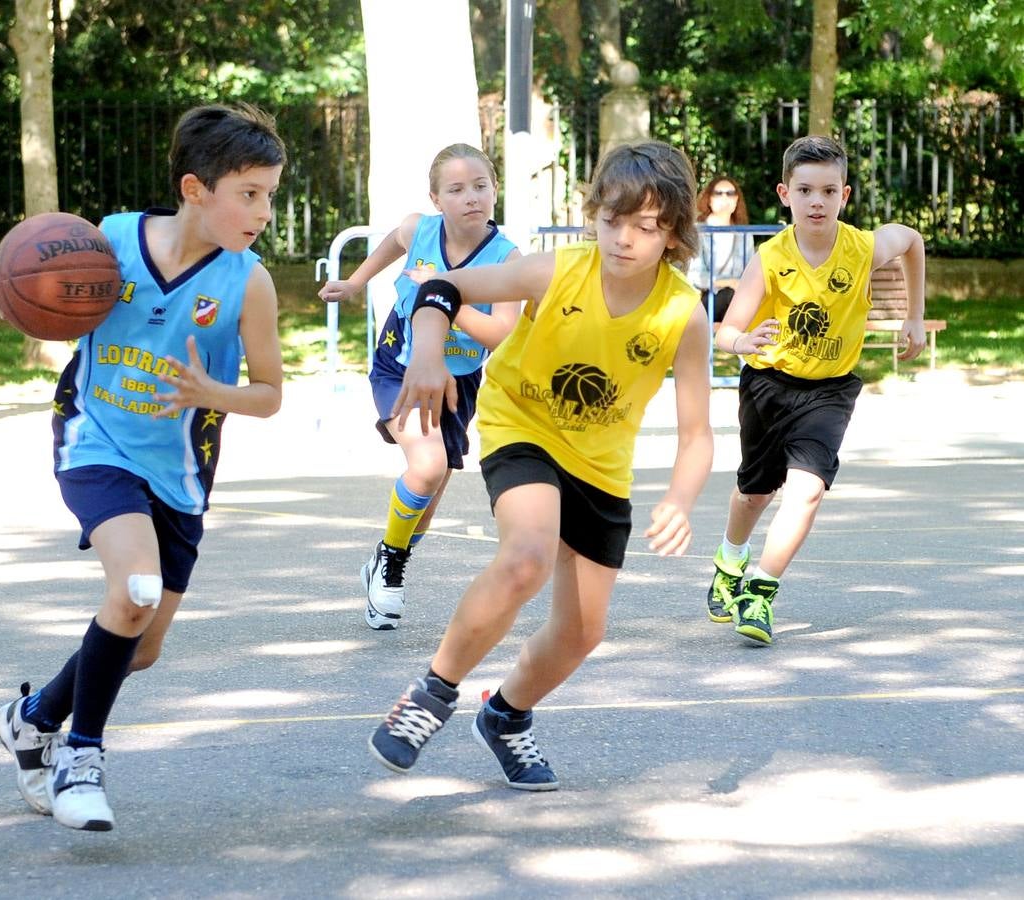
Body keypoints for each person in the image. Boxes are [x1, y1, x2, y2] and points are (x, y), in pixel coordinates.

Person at [367, 141, 713, 790]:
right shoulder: (555, 271)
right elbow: (440, 288)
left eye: (643, 226)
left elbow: (697, 435)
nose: (622, 238)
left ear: (672, 232)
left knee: (582, 630)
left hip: (600, 464)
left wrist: (680, 499)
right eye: (611, 220)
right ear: (594, 215)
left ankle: (505, 715)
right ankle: (432, 693)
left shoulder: (682, 315)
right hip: (520, 426)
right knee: (525, 556)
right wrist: (427, 354)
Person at [0, 103, 286, 831]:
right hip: (94, 439)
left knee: (141, 645)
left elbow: (271, 394)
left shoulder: (249, 283)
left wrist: (214, 394)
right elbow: (42, 291)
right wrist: (19, 299)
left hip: (180, 470)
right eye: (249, 194)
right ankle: (80, 757)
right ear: (195, 188)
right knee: (136, 589)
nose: (264, 211)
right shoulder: (106, 244)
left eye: (270, 195)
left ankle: (31, 718)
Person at [705, 135, 927, 645]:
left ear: (844, 196)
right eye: (805, 190)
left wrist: (914, 314)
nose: (817, 201)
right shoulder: (770, 257)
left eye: (829, 191)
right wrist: (745, 339)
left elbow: (912, 240)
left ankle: (759, 591)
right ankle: (729, 560)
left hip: (829, 390)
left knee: (807, 489)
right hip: (769, 383)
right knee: (756, 491)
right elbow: (724, 332)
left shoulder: (864, 247)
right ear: (786, 194)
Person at [318, 144, 520, 631]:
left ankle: (388, 559)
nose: (471, 196)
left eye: (480, 186)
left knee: (430, 489)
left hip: (458, 381)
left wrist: (444, 293)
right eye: (456, 189)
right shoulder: (420, 228)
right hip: (400, 365)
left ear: (494, 190)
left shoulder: (506, 258)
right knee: (426, 466)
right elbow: (393, 241)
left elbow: (502, 334)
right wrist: (356, 281)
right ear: (436, 198)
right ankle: (389, 571)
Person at [686, 175, 753, 324]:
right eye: (718, 193)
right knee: (729, 294)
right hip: (707, 298)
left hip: (738, 298)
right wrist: (727, 282)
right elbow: (696, 277)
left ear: (737, 200)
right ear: (709, 199)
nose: (725, 198)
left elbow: (750, 271)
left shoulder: (744, 233)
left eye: (730, 193)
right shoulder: (699, 232)